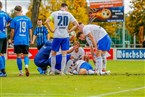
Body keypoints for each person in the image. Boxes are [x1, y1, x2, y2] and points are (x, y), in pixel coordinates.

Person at [45, 3, 78, 75]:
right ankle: (62, 71)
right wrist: (70, 31)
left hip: (57, 36)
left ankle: (52, 71)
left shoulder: (55, 13)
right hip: (65, 36)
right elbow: (76, 24)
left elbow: (46, 21)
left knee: (53, 53)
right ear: (66, 8)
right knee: (64, 54)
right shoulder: (68, 14)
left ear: (60, 7)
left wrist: (51, 30)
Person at [9, 5, 33, 76]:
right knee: (26, 55)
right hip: (25, 40)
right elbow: (30, 30)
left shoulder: (15, 19)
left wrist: (10, 39)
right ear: (21, 10)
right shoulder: (28, 19)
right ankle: (26, 66)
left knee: (18, 56)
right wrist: (31, 39)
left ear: (16, 11)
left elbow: (12, 31)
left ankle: (21, 72)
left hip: (17, 40)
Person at [0, 1, 12, 77]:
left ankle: (2, 71)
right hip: (4, 35)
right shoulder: (4, 14)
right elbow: (11, 21)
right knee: (2, 54)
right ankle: (3, 71)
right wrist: (6, 26)